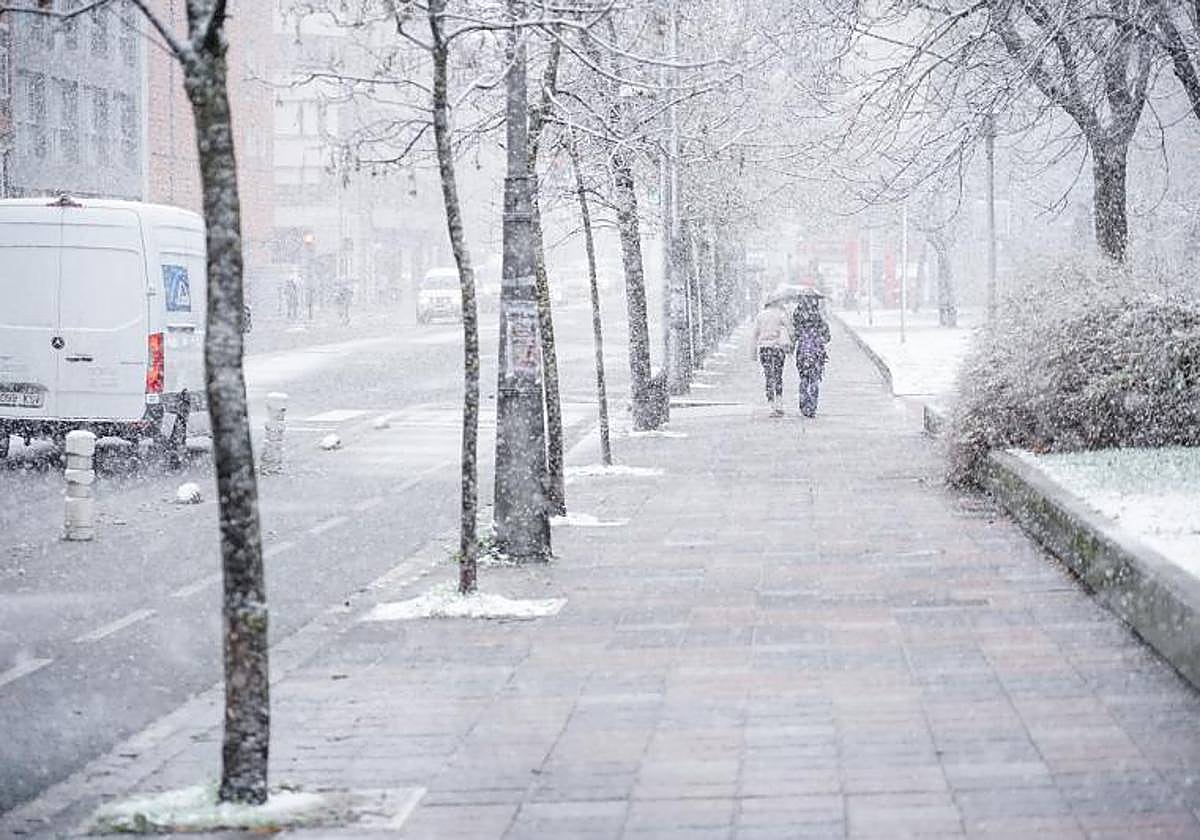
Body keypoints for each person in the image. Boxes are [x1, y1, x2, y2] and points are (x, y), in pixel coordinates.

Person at [752, 298, 793, 416]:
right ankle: (779, 402)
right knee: (778, 375)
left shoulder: (761, 316)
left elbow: (755, 334)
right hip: (778, 348)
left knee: (768, 375)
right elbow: (790, 330)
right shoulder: (781, 315)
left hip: (765, 349)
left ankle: (772, 404)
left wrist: (753, 352)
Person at [792, 293, 831, 417]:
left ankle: (804, 404)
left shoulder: (797, 314)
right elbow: (827, 335)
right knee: (814, 378)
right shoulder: (818, 315)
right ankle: (812, 406)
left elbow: (794, 333)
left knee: (803, 378)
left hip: (803, 350)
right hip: (816, 350)